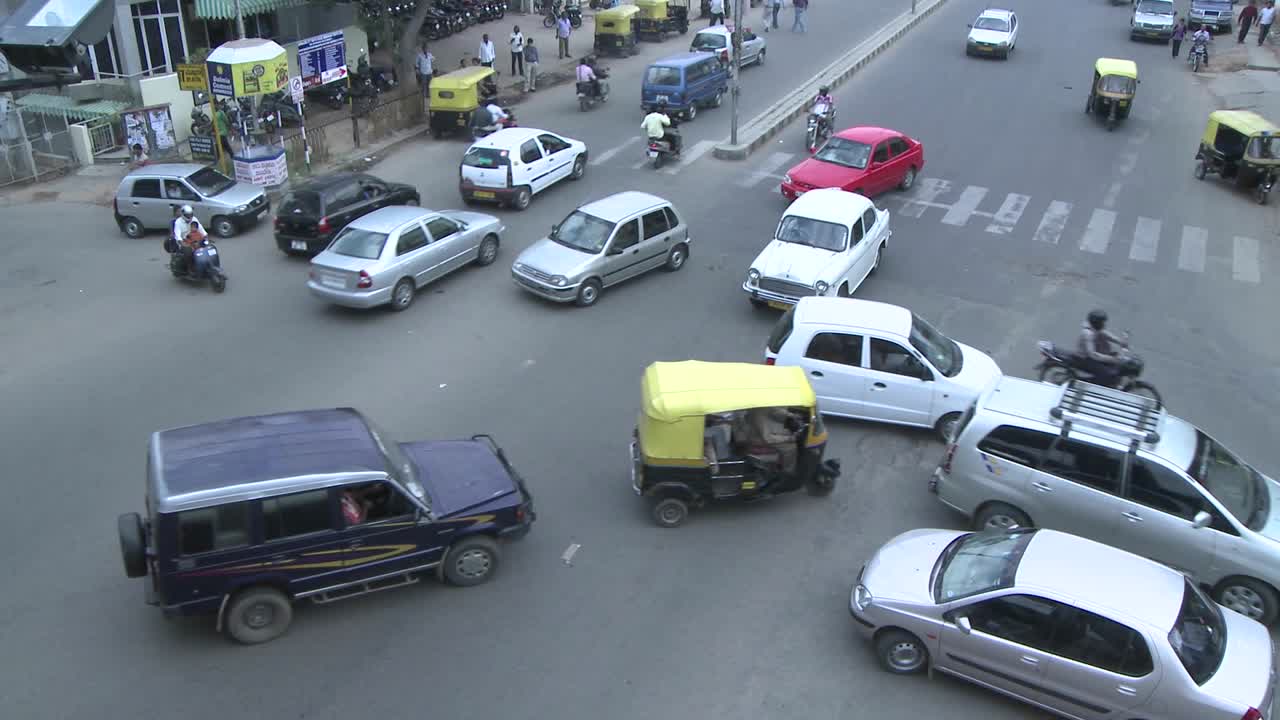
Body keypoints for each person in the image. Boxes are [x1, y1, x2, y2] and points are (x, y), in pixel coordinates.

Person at [1076, 310, 1127, 387]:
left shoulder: (1093, 327)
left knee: (1114, 359)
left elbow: (1105, 333)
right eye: (1102, 322)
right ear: (1097, 323)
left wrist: (1119, 341)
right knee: (1107, 374)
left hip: (1093, 354)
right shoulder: (1088, 334)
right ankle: (1087, 385)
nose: (1104, 324)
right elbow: (1093, 355)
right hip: (1084, 358)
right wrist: (1112, 359)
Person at [172, 205, 205, 275]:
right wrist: (182, 243)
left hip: (195, 239)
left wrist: (205, 236)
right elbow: (177, 236)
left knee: (207, 248)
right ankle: (190, 268)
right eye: (187, 215)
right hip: (184, 242)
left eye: (190, 214)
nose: (189, 216)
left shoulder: (194, 219)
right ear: (183, 214)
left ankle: (204, 264)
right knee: (189, 251)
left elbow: (201, 229)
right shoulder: (178, 222)